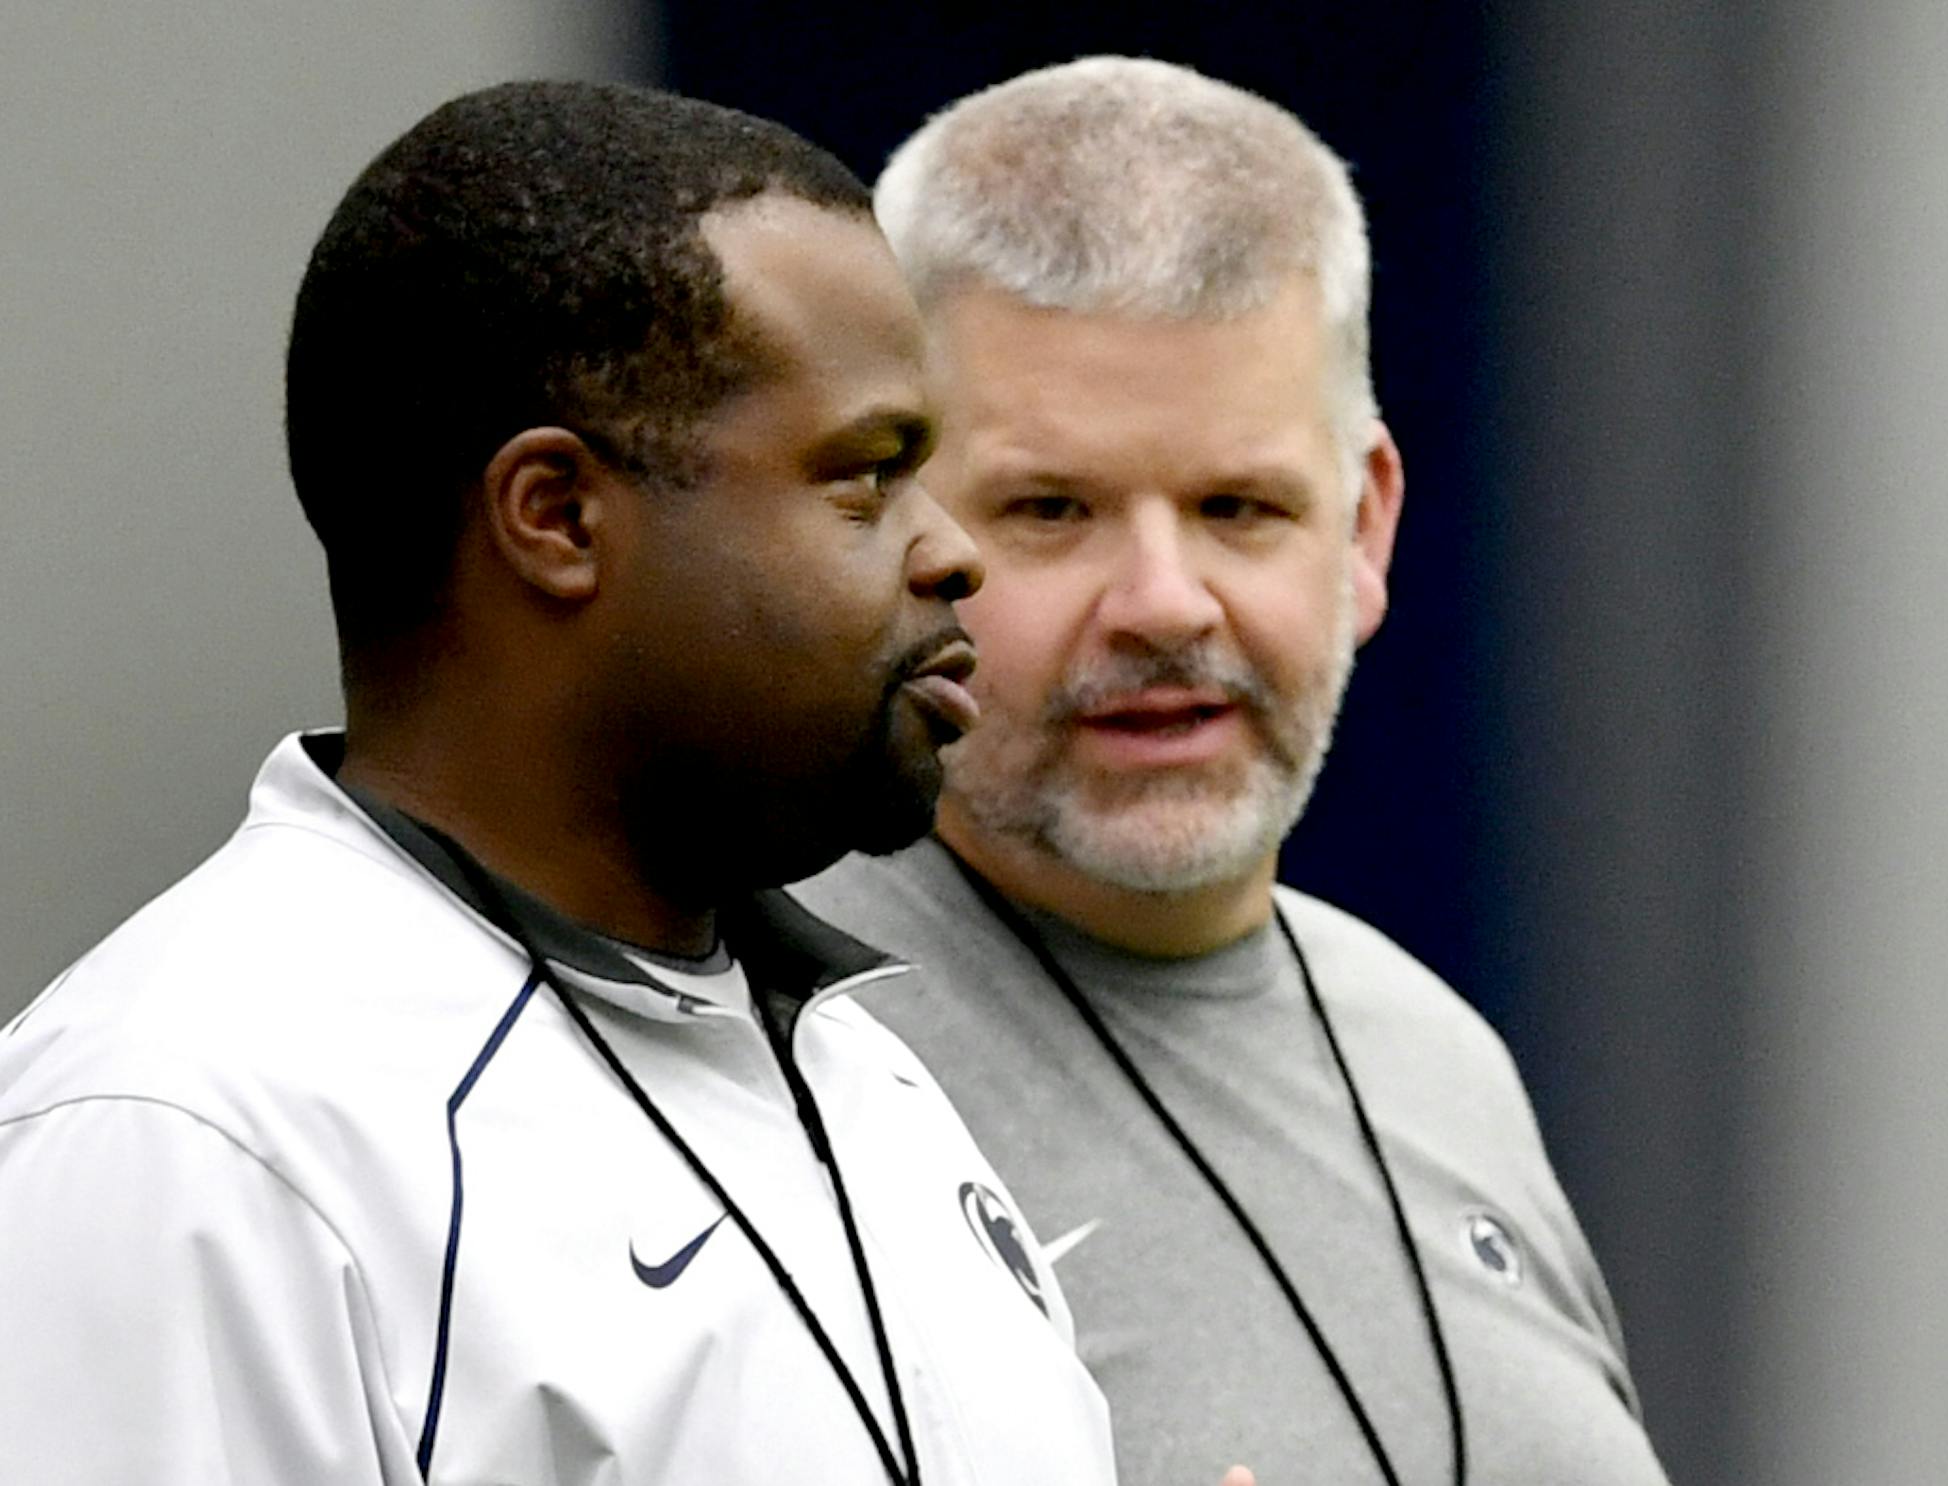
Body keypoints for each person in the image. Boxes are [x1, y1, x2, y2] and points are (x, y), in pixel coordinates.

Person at [0, 80, 1124, 1486]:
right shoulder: (194, 1129)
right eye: (867, 474)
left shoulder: (864, 1075)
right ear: (557, 516)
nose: (954, 550)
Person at [796, 58, 1672, 1486]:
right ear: (898, 519)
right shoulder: (744, 1061)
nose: (1163, 602)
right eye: (1054, 508)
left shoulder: (1435, 1059)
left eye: (1238, 507)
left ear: (1365, 524)